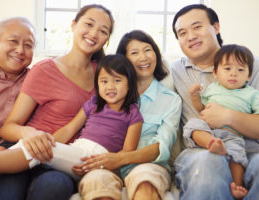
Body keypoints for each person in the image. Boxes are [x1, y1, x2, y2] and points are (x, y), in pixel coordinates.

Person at [0, 4, 114, 200]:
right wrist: (29, 133)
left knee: (54, 186)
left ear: (106, 39)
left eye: (103, 31)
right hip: (25, 150)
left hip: (61, 161)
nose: (94, 34)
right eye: (89, 24)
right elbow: (8, 127)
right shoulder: (45, 69)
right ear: (73, 25)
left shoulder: (105, 76)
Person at [171, 4, 259, 200]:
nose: (190, 36)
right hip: (202, 149)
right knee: (208, 162)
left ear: (216, 27)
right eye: (182, 32)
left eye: (197, 27)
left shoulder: (250, 65)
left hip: (253, 149)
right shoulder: (174, 70)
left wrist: (228, 117)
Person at [0, 54, 143, 183]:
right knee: (37, 144)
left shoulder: (133, 114)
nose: (110, 87)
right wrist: (48, 142)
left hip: (93, 161)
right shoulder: (93, 103)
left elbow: (127, 152)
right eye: (104, 81)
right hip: (76, 152)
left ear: (130, 83)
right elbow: (69, 128)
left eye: (117, 80)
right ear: (97, 84)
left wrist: (103, 166)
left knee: (38, 148)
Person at [72, 30, 182, 200]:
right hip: (104, 165)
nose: (143, 58)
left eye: (147, 50)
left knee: (145, 183)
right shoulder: (107, 93)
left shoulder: (170, 100)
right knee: (95, 182)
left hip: (147, 165)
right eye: (134, 53)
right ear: (124, 59)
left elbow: (161, 147)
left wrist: (118, 159)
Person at [184, 44, 259, 199]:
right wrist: (195, 96)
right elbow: (201, 107)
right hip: (210, 129)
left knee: (237, 155)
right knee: (193, 125)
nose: (233, 74)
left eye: (240, 70)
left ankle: (237, 186)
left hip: (232, 134)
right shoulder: (212, 88)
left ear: (249, 75)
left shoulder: (251, 94)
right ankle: (211, 143)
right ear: (215, 72)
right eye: (227, 69)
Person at [0, 16, 36, 200]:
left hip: (11, 159)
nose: (20, 50)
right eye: (13, 41)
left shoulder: (37, 81)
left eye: (28, 45)